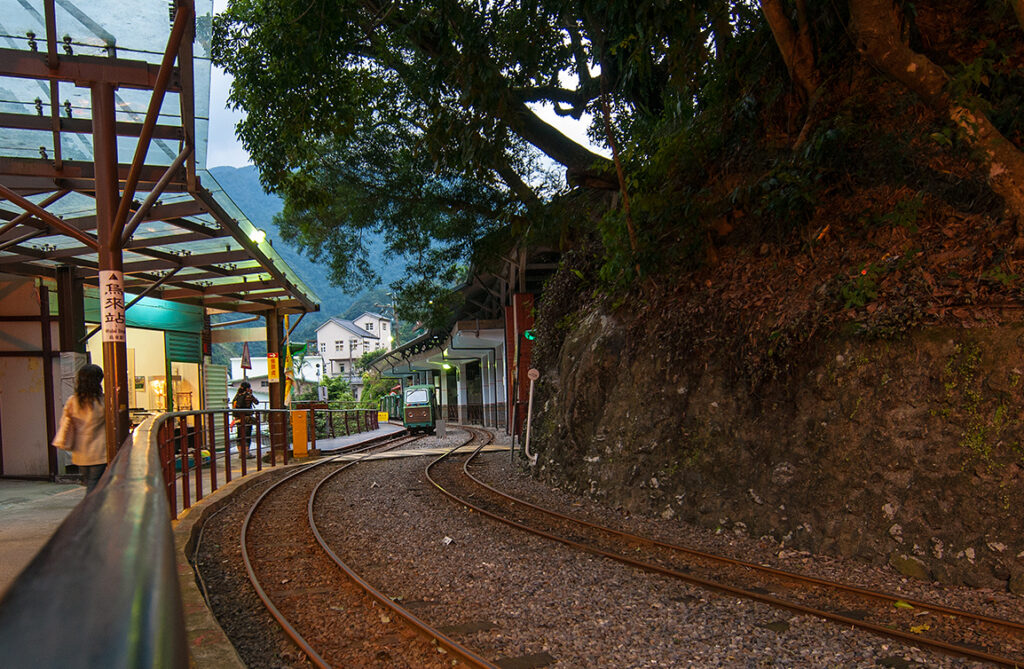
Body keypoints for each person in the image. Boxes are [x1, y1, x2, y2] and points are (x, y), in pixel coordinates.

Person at [52, 364, 107, 494]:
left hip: (80, 451)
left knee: (89, 482)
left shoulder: (73, 401)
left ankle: (91, 504)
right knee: (94, 483)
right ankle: (90, 505)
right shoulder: (103, 401)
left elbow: (65, 423)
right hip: (100, 450)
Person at [232, 381, 258, 459]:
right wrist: (251, 394)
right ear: (247, 388)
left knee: (239, 435)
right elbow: (256, 402)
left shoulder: (237, 396)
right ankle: (246, 453)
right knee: (247, 435)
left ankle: (240, 453)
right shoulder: (248, 395)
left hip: (238, 418)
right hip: (246, 418)